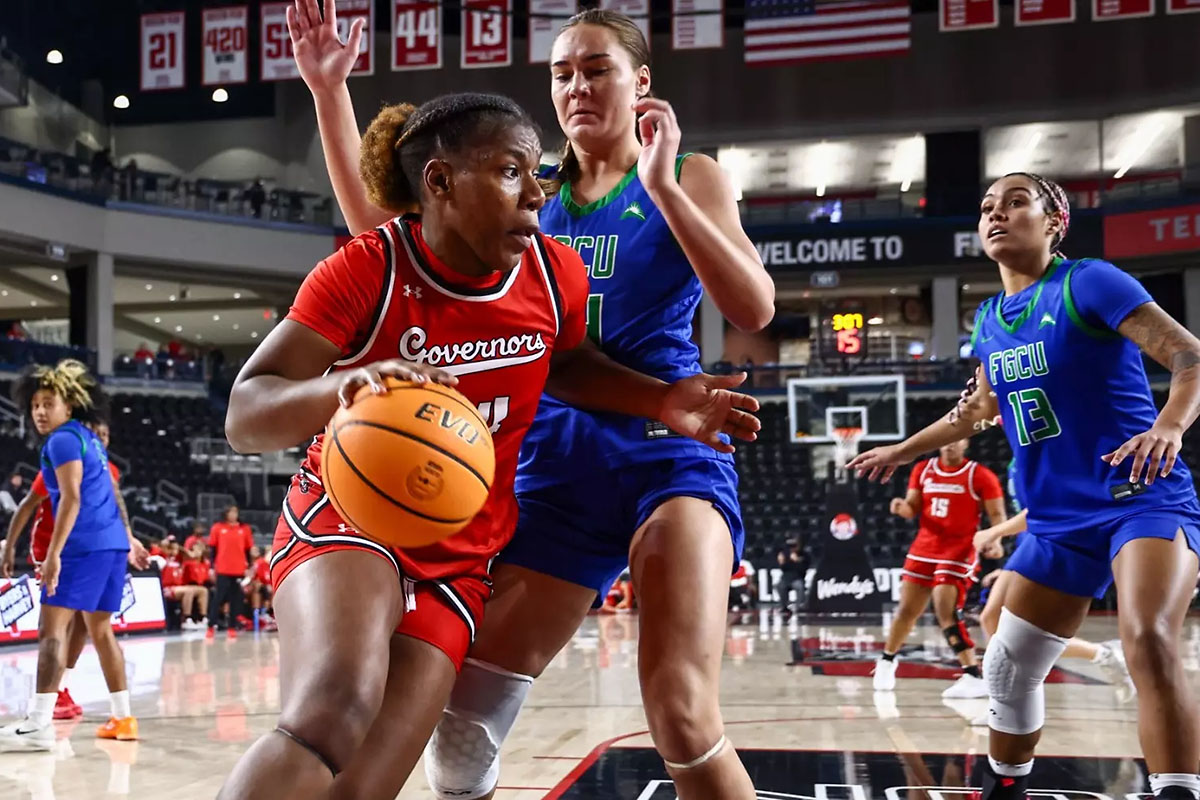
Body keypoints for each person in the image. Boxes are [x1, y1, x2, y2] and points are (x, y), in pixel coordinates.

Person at [215, 91, 758, 800]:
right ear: (440, 181)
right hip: (353, 520)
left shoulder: (554, 272)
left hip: (460, 556)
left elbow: (566, 364)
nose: (536, 192)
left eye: (535, 173)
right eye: (510, 172)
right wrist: (343, 386)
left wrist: (659, 399)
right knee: (333, 708)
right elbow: (246, 413)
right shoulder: (369, 268)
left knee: (363, 788)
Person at [848, 172, 1200, 800]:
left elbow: (1189, 357)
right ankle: (1005, 787)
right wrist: (902, 451)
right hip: (1057, 516)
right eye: (987, 206)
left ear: (1054, 222)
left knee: (1147, 637)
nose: (997, 214)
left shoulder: (1089, 282)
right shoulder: (988, 320)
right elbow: (975, 413)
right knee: (1009, 664)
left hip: (1138, 496)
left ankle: (1178, 790)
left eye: (1016, 202)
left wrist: (1168, 426)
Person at [0, 361, 144, 750]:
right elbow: (106, 494)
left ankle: (38, 724)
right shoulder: (89, 438)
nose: (40, 412)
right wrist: (129, 537)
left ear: (70, 405)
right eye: (35, 405)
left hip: (83, 546)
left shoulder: (62, 441)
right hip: (111, 546)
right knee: (101, 630)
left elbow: (72, 497)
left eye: (49, 403)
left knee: (51, 631)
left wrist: (53, 554)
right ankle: (123, 718)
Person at [873, 438, 1007, 699]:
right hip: (924, 546)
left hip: (959, 549)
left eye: (957, 440)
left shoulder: (979, 475)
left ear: (966, 443)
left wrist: (996, 539)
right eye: (946, 440)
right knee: (906, 610)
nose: (950, 445)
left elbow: (997, 514)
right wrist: (901, 508)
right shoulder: (922, 469)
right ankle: (887, 661)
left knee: (945, 610)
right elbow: (912, 508)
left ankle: (972, 674)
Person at [208, 505, 254, 635]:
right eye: (231, 512)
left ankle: (232, 627)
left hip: (238, 569)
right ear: (225, 514)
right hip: (223, 568)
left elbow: (247, 550)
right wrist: (211, 567)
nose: (233, 515)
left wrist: (249, 566)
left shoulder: (244, 529)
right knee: (219, 597)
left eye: (235, 512)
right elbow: (213, 549)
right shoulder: (217, 528)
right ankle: (211, 625)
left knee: (235, 599)